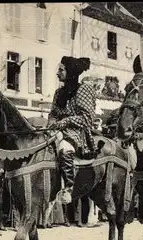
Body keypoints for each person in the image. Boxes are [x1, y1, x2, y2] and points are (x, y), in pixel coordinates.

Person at [47, 56, 96, 204]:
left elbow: (87, 118)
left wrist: (64, 122)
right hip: (57, 130)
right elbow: (53, 113)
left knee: (64, 149)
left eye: (61, 70)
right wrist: (52, 123)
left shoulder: (84, 90)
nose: (57, 73)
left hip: (77, 132)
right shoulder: (58, 92)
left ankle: (68, 187)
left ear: (71, 72)